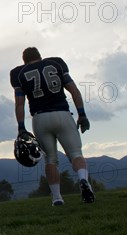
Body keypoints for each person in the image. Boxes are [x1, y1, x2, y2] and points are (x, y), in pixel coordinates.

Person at [10, 47, 94, 206]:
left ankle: (57, 198)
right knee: (76, 154)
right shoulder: (56, 64)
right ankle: (83, 180)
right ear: (40, 56)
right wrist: (82, 114)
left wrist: (21, 127)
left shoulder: (19, 74)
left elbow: (19, 104)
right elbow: (74, 90)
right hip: (62, 113)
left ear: (24, 61)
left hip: (40, 118)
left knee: (50, 159)